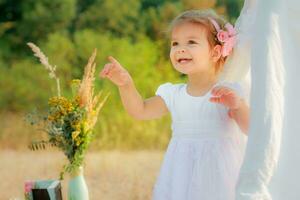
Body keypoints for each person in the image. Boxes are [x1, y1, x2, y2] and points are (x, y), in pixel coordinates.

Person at [99, 9, 249, 200]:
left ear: (216, 52)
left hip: (219, 175)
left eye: (191, 42)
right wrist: (126, 84)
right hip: (180, 175)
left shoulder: (227, 92)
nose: (180, 48)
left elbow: (250, 128)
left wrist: (238, 105)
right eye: (175, 43)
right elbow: (140, 110)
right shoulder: (173, 94)